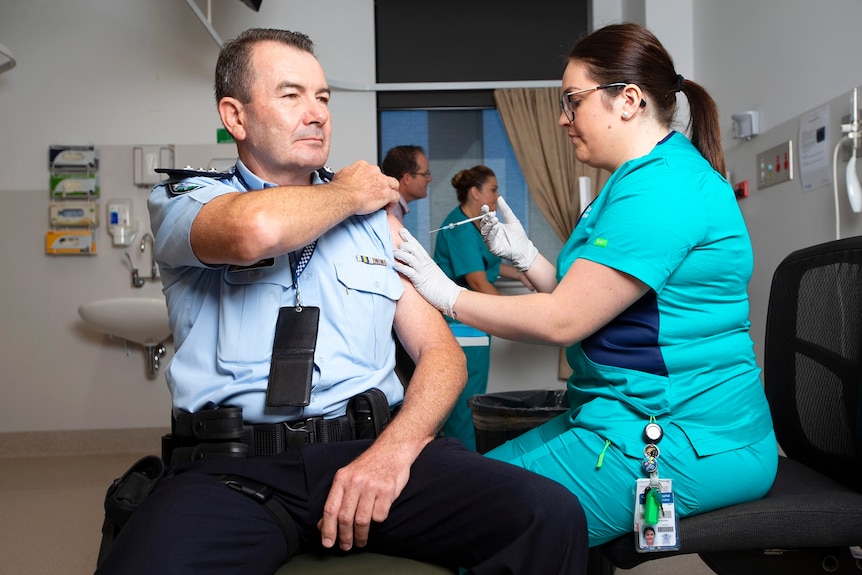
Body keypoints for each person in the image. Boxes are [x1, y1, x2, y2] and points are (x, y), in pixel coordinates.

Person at [94, 27, 588, 575]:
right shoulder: (188, 198)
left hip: (370, 448)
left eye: (323, 98)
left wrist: (393, 452)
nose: (317, 114)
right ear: (235, 117)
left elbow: (441, 355)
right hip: (234, 471)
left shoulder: (375, 222)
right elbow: (252, 232)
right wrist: (350, 192)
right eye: (291, 95)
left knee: (550, 515)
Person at [393, 22, 778, 547]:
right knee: (452, 484)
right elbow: (595, 298)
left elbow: (565, 318)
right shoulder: (633, 181)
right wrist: (527, 259)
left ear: (629, 100)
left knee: (462, 521)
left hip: (681, 435)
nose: (562, 118)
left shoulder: (664, 188)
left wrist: (446, 296)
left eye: (572, 101)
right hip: (619, 415)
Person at [433, 165, 532, 450]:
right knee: (465, 402)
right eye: (493, 189)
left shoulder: (476, 223)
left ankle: (465, 458)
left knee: (474, 396)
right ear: (475, 193)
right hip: (461, 324)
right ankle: (462, 463)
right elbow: (477, 281)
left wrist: (523, 272)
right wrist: (520, 313)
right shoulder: (460, 228)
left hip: (473, 322)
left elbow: (487, 265)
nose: (498, 196)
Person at [381, 145, 432, 222]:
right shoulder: (390, 210)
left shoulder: (390, 206)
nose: (429, 179)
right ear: (407, 178)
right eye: (425, 174)